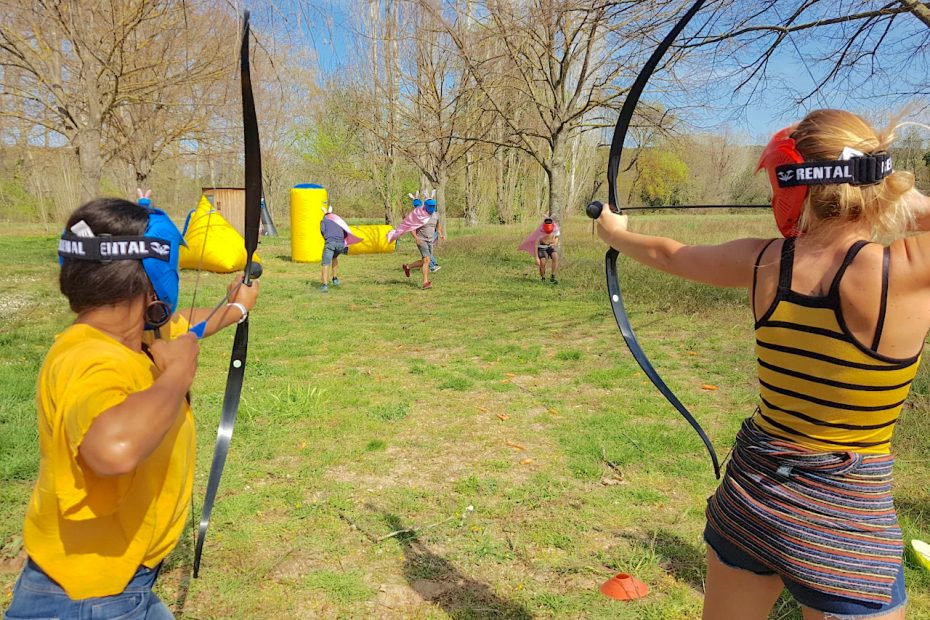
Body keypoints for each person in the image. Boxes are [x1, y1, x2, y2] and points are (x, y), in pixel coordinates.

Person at [595, 109, 928, 620]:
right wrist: (896, 193)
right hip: (843, 518)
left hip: (750, 496)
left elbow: (669, 253)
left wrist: (615, 233)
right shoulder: (903, 272)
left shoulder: (765, 260)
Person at [3, 197, 260, 619]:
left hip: (111, 584)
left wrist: (236, 306)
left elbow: (188, 325)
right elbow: (113, 450)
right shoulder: (88, 358)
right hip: (90, 600)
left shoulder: (134, 336)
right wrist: (177, 378)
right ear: (152, 278)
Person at [401, 196, 444, 290]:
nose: (432, 208)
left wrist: (440, 234)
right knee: (427, 260)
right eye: (430, 206)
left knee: (425, 261)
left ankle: (408, 267)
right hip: (421, 240)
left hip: (430, 241)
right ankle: (425, 282)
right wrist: (416, 238)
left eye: (434, 206)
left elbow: (438, 225)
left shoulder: (436, 215)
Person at [319, 207, 349, 292]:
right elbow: (345, 232)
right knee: (335, 258)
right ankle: (335, 279)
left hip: (330, 243)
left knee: (325, 264)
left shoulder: (323, 221)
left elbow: (323, 231)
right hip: (340, 244)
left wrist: (327, 239)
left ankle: (325, 285)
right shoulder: (338, 222)